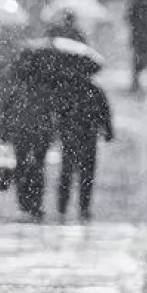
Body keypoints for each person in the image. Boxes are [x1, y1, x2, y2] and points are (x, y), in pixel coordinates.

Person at [6, 49, 57, 219]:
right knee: (37, 167)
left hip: (24, 131)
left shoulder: (18, 85)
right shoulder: (46, 86)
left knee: (22, 166)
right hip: (38, 132)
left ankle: (25, 201)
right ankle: (34, 202)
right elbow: (52, 110)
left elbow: (8, 109)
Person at [55, 74, 114, 220]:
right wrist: (108, 131)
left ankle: (62, 207)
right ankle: (84, 207)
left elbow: (59, 113)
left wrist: (61, 129)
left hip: (70, 138)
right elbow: (104, 113)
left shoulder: (68, 90)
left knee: (67, 173)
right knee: (86, 174)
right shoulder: (95, 91)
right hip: (88, 137)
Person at [127, 0, 147, 92]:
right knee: (141, 57)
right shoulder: (138, 6)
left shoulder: (140, 5)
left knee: (142, 57)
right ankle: (137, 80)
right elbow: (129, 18)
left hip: (141, 36)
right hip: (140, 36)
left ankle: (137, 79)